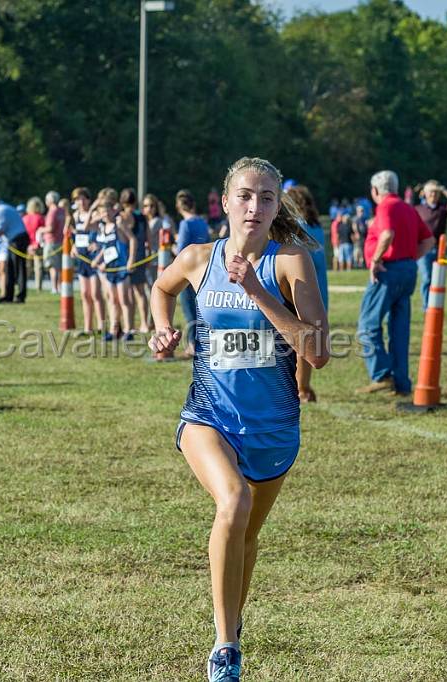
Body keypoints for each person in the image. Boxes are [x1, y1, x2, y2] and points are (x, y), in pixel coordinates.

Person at [148, 156, 328, 682]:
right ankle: (225, 648)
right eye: (245, 195)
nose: (255, 206)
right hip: (209, 415)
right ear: (224, 202)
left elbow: (316, 353)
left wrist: (256, 290)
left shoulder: (290, 262)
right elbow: (162, 289)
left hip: (273, 426)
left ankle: (232, 619)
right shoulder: (197, 257)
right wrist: (162, 329)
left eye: (267, 197)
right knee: (234, 500)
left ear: (278, 206)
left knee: (245, 534)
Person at [356, 171, 434, 395]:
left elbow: (387, 233)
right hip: (408, 270)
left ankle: (382, 374)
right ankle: (402, 383)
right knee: (399, 330)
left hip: (388, 271)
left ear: (375, 191)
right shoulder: (408, 208)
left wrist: (376, 260)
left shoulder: (386, 206)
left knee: (367, 326)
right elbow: (428, 240)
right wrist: (409, 258)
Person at [286, 184, 329, 403]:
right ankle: (304, 386)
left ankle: (300, 388)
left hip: (301, 291)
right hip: (321, 291)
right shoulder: (317, 226)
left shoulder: (296, 228)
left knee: (300, 342)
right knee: (309, 340)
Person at [91, 190, 136, 341]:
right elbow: (106, 247)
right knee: (112, 300)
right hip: (109, 269)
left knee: (124, 299)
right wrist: (99, 261)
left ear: (113, 210)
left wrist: (131, 260)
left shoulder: (119, 224)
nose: (105, 215)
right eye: (102, 213)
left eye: (107, 211)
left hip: (121, 267)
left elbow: (133, 240)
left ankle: (129, 330)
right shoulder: (104, 227)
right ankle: (113, 329)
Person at [175, 189, 212, 357]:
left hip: (188, 272)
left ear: (178, 206)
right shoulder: (202, 222)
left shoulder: (185, 224)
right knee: (200, 310)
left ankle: (192, 346)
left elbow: (181, 250)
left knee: (189, 310)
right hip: (203, 270)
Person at [415, 180, 447, 309]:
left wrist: (443, 189)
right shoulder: (418, 209)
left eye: (436, 192)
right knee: (427, 278)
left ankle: (435, 304)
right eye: (431, 192)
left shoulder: (443, 208)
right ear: (424, 193)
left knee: (437, 279)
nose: (433, 195)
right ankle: (426, 306)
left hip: (439, 249)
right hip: (423, 249)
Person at [70, 187, 104, 334]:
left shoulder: (95, 214)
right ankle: (87, 327)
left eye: (83, 198)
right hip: (81, 257)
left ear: (89, 200)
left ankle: (102, 327)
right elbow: (74, 235)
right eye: (78, 199)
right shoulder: (75, 215)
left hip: (93, 257)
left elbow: (100, 231)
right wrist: (73, 247)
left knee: (96, 293)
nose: (81, 202)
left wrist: (97, 244)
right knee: (85, 293)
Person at [0, 192, 29, 303]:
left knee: (18, 268)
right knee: (9, 268)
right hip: (14, 239)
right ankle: (8, 295)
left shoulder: (0, 211)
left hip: (17, 239)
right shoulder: (4, 208)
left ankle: (20, 295)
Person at [121, 188, 152, 333]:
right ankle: (145, 323)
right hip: (140, 256)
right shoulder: (142, 216)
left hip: (126, 257)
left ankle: (130, 324)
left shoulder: (123, 216)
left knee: (129, 293)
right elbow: (149, 237)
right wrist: (149, 254)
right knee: (140, 292)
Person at [42, 191, 66, 292]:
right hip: (61, 241)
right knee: (60, 266)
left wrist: (40, 230)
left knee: (53, 266)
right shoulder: (62, 211)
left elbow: (50, 228)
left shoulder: (52, 212)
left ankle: (54, 287)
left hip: (52, 241)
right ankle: (60, 286)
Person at [23, 197, 46, 292]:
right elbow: (43, 232)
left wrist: (28, 245)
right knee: (38, 267)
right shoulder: (41, 218)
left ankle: (23, 285)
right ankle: (38, 287)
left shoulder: (24, 218)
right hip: (38, 245)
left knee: (26, 267)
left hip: (27, 245)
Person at [143, 193, 166, 283]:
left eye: (152, 206)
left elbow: (147, 235)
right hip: (145, 256)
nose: (149, 208)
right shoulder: (145, 221)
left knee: (153, 284)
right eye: (145, 206)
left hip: (154, 258)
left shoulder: (157, 221)